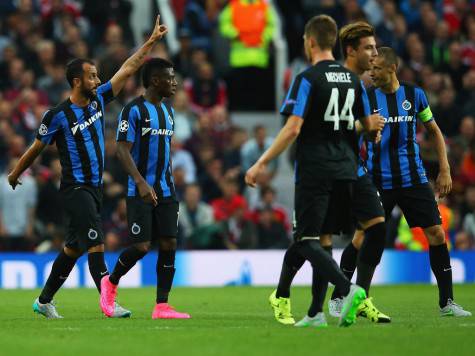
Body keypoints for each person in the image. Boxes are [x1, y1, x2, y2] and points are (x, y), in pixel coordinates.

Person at [7, 16, 169, 319]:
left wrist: (150, 42)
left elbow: (128, 68)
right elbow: (36, 148)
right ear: (77, 81)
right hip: (74, 188)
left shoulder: (98, 101)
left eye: (97, 76)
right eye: (92, 76)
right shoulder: (56, 116)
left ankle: (44, 301)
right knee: (96, 241)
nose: (98, 80)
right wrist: (17, 173)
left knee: (72, 248)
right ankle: (108, 301)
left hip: (94, 189)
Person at [245, 15, 383, 328]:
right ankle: (315, 313)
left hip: (315, 171)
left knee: (305, 239)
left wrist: (261, 161)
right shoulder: (353, 81)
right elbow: (365, 127)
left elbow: (293, 128)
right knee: (322, 240)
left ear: (309, 42)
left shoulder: (307, 78)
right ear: (334, 42)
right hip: (346, 171)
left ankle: (348, 289)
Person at [366, 47, 471, 316]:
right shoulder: (367, 97)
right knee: (364, 238)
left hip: (413, 178)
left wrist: (445, 169)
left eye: (376, 67)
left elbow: (434, 132)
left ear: (391, 68)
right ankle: (351, 298)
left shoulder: (415, 96)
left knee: (436, 232)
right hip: (379, 179)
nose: (371, 72)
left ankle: (447, 302)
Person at [99, 58, 190, 320]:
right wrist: (140, 181)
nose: (174, 83)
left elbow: (164, 152)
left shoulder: (169, 112)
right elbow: (121, 150)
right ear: (153, 81)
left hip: (166, 188)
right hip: (138, 188)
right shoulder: (134, 110)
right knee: (141, 247)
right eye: (169, 78)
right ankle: (111, 283)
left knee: (170, 242)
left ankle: (162, 305)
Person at [323, 21, 390, 323]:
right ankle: (285, 294)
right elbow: (328, 127)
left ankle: (357, 295)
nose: (374, 54)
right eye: (369, 48)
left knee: (376, 227)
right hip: (330, 169)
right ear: (351, 50)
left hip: (355, 167)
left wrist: (370, 130)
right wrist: (365, 126)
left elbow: (359, 127)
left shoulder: (361, 87)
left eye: (375, 48)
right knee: (311, 242)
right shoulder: (334, 81)